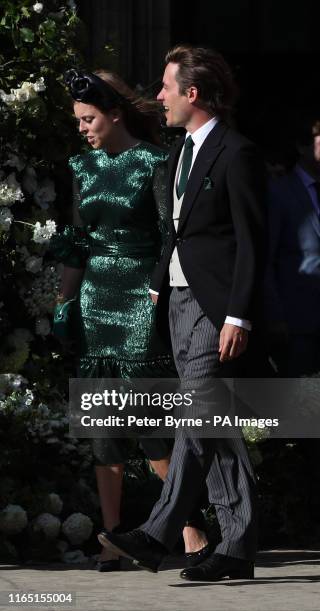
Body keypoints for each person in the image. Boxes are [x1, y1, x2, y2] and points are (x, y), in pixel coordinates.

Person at [99, 45, 266, 581]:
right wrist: (157, 288)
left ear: (192, 94)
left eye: (167, 87)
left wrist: (238, 315)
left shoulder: (235, 152)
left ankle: (156, 532)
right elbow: (175, 231)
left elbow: (251, 242)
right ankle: (237, 550)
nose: (160, 97)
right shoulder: (179, 155)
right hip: (176, 304)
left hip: (213, 309)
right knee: (214, 424)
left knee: (197, 417)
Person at [51, 68, 206, 571]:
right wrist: (64, 301)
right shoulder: (83, 166)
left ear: (115, 114)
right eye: (78, 120)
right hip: (96, 301)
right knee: (103, 424)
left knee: (151, 420)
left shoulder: (155, 161)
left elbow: (170, 235)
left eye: (89, 118)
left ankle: (188, 529)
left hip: (142, 298)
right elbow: (76, 241)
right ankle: (113, 538)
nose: (82, 128)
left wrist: (162, 294)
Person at [265, 110, 320, 376]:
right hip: (298, 320)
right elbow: (267, 258)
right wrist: (275, 317)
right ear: (302, 145)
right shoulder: (279, 192)